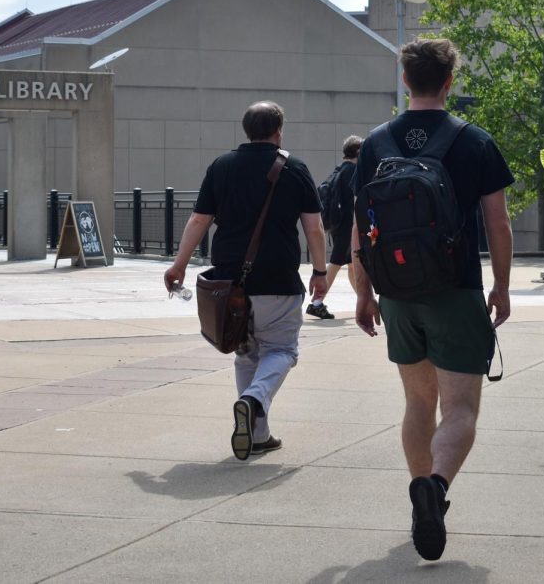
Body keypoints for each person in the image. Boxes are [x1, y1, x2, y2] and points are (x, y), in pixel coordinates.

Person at [352, 39, 513, 562]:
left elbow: (361, 227)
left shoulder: (376, 143)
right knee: (460, 407)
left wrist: (363, 291)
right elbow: (498, 222)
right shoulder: (474, 142)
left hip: (397, 295)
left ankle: (420, 487)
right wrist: (502, 287)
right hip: (455, 289)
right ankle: (434, 489)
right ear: (449, 82)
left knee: (417, 402)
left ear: (405, 81)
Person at [164, 101, 328, 460]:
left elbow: (198, 220)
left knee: (245, 353)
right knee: (281, 350)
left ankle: (257, 435)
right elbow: (314, 228)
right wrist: (320, 271)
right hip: (278, 279)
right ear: (278, 130)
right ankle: (254, 399)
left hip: (229, 282)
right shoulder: (295, 168)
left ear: (246, 130)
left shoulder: (221, 167)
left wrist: (178, 265)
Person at [308, 135, 363, 320]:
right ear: (357, 152)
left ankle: (363, 299)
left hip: (338, 224)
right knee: (336, 262)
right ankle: (316, 303)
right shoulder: (354, 171)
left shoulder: (339, 170)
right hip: (348, 225)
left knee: (352, 266)